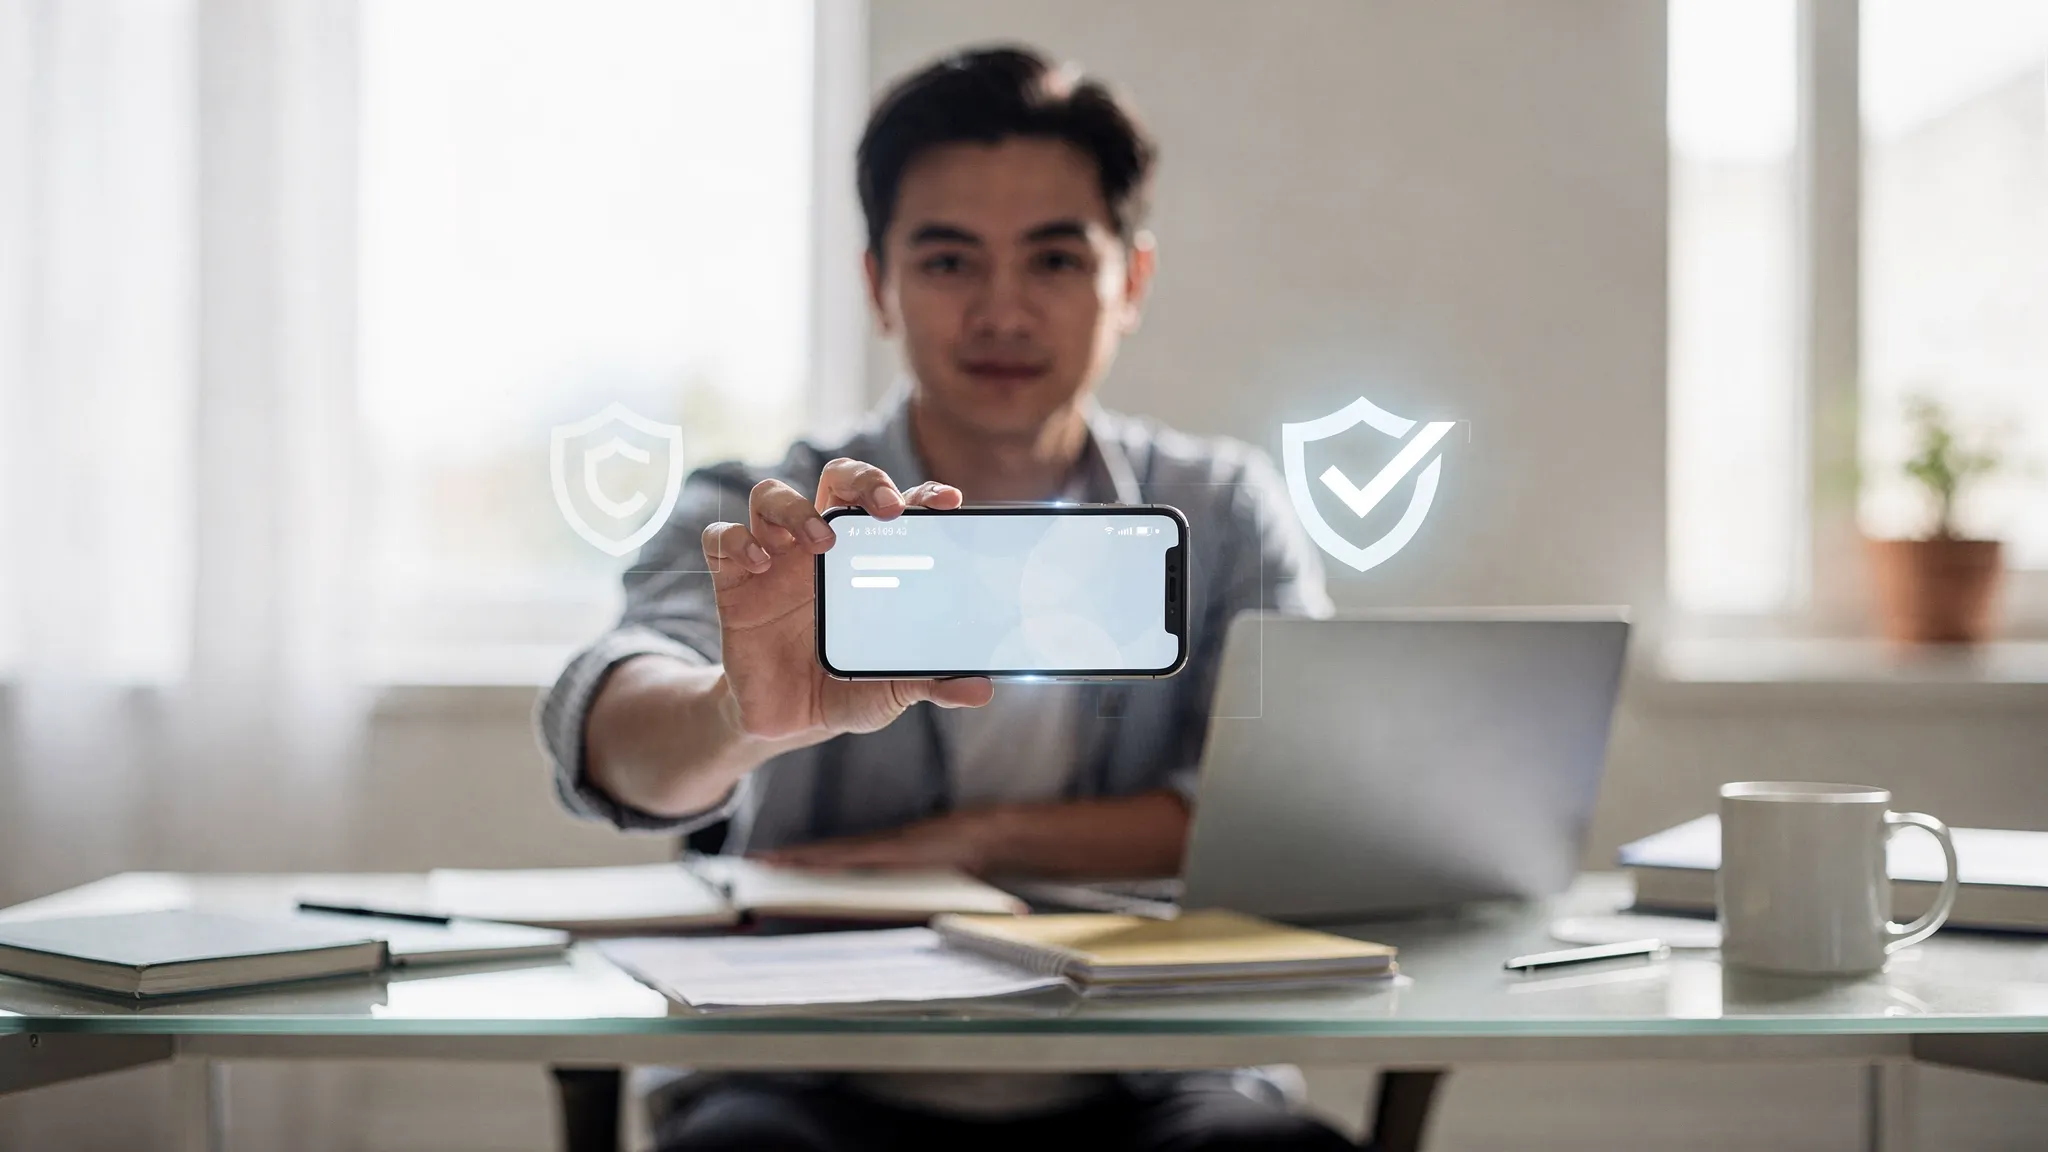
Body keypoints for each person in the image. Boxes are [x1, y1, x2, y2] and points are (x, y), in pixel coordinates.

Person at [539, 44, 1349, 1151]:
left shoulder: (1220, 511)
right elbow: (611, 736)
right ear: (878, 283)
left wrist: (957, 844)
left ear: (1131, 282)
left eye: (1055, 261)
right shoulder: (763, 517)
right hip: (810, 1067)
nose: (1002, 311)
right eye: (949, 262)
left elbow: (1275, 822)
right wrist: (737, 714)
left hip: (1149, 1065)